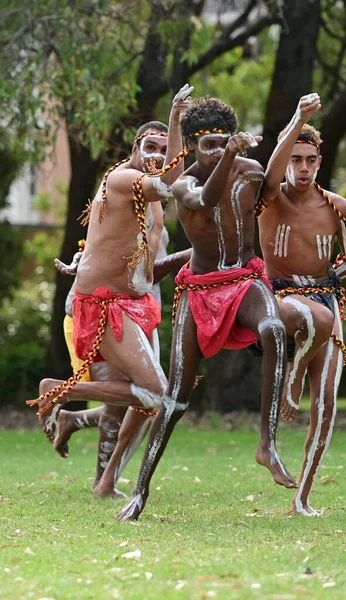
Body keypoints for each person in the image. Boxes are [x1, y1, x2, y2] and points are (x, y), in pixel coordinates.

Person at [116, 96, 297, 522]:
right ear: (194, 146)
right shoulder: (184, 185)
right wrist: (218, 148)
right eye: (208, 144)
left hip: (245, 278)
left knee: (273, 327)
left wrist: (298, 117)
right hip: (200, 290)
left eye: (223, 143)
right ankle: (140, 491)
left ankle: (266, 444)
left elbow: (274, 181)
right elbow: (206, 200)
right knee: (177, 397)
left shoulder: (250, 172)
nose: (216, 151)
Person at [28, 85, 193, 486]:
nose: (156, 155)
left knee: (147, 398)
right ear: (136, 148)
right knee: (155, 394)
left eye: (162, 147)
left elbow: (142, 266)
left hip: (137, 303)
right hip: (100, 306)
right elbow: (173, 178)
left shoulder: (151, 201)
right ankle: (58, 392)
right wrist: (175, 120)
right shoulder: (125, 179)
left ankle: (105, 482)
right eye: (150, 147)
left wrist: (196, 257)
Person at [256, 93, 346, 516]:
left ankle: (302, 499)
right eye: (296, 159)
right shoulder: (268, 198)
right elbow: (270, 174)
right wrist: (297, 120)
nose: (302, 168)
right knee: (309, 314)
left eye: (310, 160)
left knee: (326, 405)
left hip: (325, 297)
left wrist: (330, 278)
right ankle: (294, 374)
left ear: (319, 162)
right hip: (280, 297)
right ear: (287, 160)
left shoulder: (337, 206)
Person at [51, 230, 190, 498]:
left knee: (145, 398)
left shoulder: (152, 210)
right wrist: (190, 255)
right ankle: (102, 483)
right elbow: (141, 276)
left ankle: (73, 419)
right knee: (134, 397)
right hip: (97, 315)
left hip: (139, 318)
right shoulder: (123, 202)